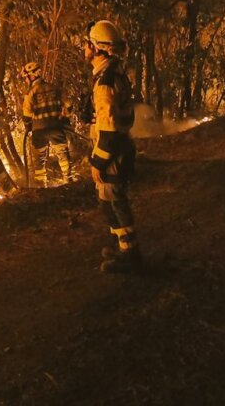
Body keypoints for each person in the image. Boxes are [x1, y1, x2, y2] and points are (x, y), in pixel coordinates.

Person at [84, 20, 142, 273]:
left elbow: (108, 129)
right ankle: (123, 246)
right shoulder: (115, 73)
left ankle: (130, 255)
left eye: (87, 44)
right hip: (119, 148)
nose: (84, 49)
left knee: (113, 202)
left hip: (113, 152)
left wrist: (98, 161)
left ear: (98, 49)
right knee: (109, 201)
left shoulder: (105, 82)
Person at [20, 62, 73, 186]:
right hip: (56, 127)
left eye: (26, 77)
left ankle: (41, 186)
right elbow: (68, 105)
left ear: (32, 76)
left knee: (39, 160)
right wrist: (65, 118)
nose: (26, 80)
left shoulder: (31, 92)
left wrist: (28, 125)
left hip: (39, 130)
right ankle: (69, 181)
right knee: (63, 155)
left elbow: (26, 113)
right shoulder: (54, 88)